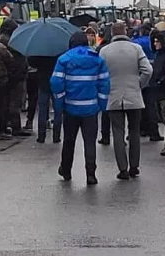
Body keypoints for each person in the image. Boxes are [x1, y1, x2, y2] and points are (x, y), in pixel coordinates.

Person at [51, 32, 110, 185]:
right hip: (91, 109)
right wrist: (102, 105)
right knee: (90, 142)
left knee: (69, 141)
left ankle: (66, 170)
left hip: (70, 108)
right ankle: (91, 174)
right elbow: (104, 84)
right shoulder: (97, 59)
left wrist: (60, 103)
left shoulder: (63, 59)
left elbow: (56, 83)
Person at [99, 22, 153, 180]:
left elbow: (101, 74)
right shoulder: (136, 49)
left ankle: (122, 169)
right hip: (133, 95)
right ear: (126, 32)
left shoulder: (104, 51)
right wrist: (139, 84)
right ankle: (134, 166)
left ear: (112, 33)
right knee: (134, 131)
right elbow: (148, 70)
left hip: (113, 96)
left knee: (118, 132)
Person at [0, 19, 31, 137]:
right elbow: (17, 61)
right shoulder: (12, 42)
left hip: (7, 76)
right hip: (15, 76)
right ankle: (15, 127)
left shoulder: (2, 40)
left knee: (6, 102)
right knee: (14, 103)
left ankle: (6, 125)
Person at [133, 23, 160, 141]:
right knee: (151, 106)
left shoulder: (135, 43)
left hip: (137, 77)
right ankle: (153, 132)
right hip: (151, 77)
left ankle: (140, 130)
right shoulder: (152, 43)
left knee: (138, 106)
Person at [28, 55, 62, 143]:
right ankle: (56, 136)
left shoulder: (41, 51)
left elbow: (32, 62)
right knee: (58, 111)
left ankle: (41, 136)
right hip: (57, 83)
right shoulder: (60, 51)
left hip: (43, 83)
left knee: (42, 110)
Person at [96, 25, 114, 145]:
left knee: (105, 112)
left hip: (104, 84)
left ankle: (105, 136)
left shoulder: (101, 49)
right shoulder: (119, 48)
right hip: (119, 84)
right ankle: (120, 136)